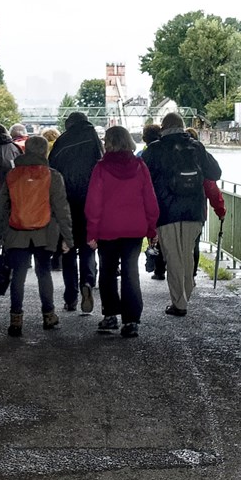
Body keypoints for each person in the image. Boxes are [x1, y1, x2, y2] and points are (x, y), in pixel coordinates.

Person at [82, 122, 159, 337]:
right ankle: (131, 320)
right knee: (130, 271)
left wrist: (91, 232)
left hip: (107, 228)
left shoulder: (101, 168)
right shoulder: (140, 166)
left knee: (107, 271)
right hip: (134, 229)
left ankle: (110, 316)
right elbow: (150, 199)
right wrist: (152, 228)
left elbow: (93, 203)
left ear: (109, 143)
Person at [142, 110, 220, 316]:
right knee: (186, 254)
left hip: (166, 211)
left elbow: (142, 178)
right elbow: (215, 172)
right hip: (194, 210)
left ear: (163, 128)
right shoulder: (196, 146)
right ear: (182, 126)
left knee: (173, 256)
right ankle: (186, 291)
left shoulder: (154, 149)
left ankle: (179, 302)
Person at [0, 131, 73, 334]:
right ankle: (49, 315)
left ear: (26, 150)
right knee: (44, 272)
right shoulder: (53, 175)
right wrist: (68, 238)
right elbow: (62, 209)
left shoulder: (12, 175)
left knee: (18, 275)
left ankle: (16, 320)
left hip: (16, 232)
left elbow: (1, 207)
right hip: (45, 232)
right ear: (45, 152)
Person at [48, 109, 104, 314]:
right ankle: (87, 283)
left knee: (68, 248)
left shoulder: (62, 142)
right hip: (90, 201)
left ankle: (70, 297)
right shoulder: (94, 140)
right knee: (88, 246)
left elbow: (51, 170)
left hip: (66, 201)